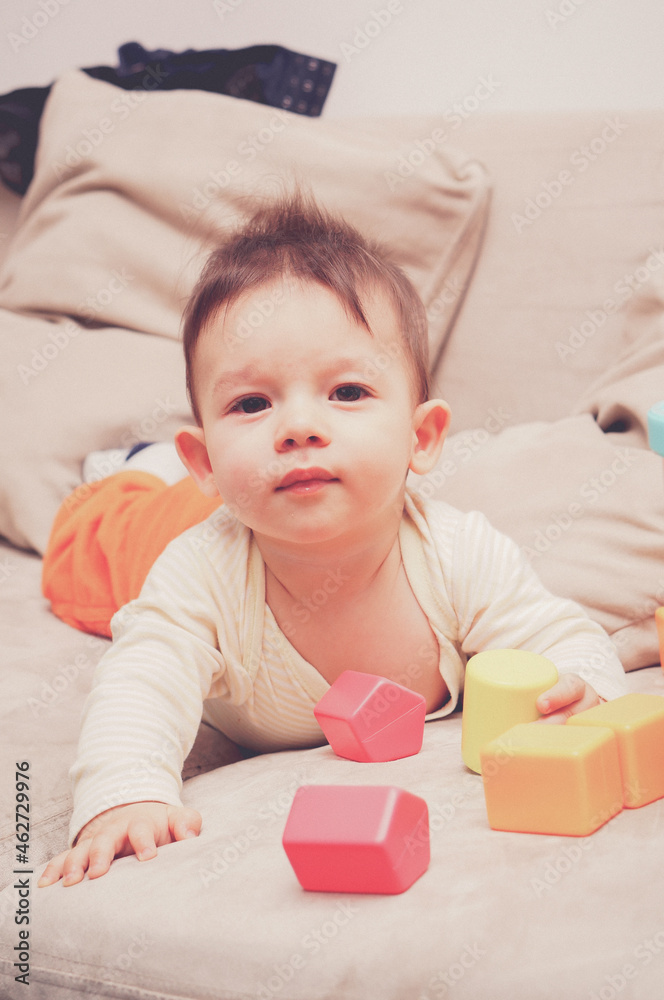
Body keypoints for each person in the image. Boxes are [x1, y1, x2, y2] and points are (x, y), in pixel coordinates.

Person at [38, 192, 628, 889]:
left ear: (421, 438)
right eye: (252, 404)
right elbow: (144, 677)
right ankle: (140, 469)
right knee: (86, 555)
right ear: (207, 458)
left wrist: (586, 687)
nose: (298, 427)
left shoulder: (460, 556)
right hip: (176, 525)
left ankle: (158, 464)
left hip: (231, 492)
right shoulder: (200, 575)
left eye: (346, 392)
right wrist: (126, 791)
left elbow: (560, 634)